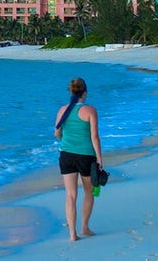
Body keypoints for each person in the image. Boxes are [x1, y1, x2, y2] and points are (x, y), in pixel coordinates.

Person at [54, 77, 103, 241]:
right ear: (85, 93)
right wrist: (99, 158)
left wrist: (67, 140)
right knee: (89, 192)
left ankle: (72, 234)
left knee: (70, 195)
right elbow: (94, 137)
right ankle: (85, 227)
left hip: (66, 155)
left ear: (71, 92)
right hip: (86, 156)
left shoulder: (62, 110)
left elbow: (57, 133)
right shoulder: (90, 111)